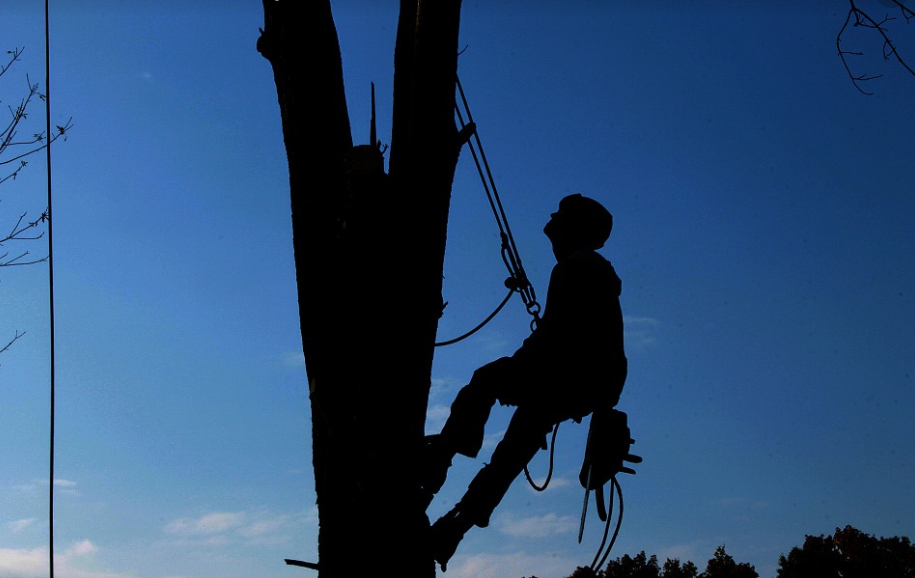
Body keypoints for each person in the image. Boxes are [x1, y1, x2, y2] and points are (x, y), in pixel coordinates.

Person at [423, 193, 628, 571]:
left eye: (560, 218)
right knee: (517, 446)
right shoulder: (595, 270)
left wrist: (516, 371)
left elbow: (554, 337)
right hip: (592, 384)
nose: (551, 219)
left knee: (486, 380)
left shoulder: (574, 268)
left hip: (569, 373)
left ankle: (439, 461)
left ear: (574, 229)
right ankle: (456, 527)